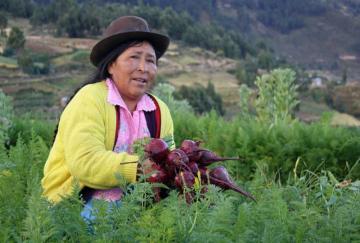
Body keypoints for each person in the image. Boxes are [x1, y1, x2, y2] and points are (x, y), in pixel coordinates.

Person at [41, 16, 174, 219]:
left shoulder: (159, 110)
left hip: (134, 204)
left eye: (150, 60)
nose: (143, 68)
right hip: (75, 204)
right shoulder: (90, 99)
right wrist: (139, 168)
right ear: (111, 65)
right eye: (134, 57)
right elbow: (86, 163)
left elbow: (169, 160)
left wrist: (189, 173)